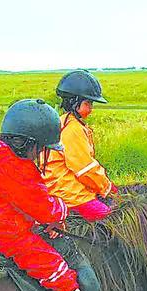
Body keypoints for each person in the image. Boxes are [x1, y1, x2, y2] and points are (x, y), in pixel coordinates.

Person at [0, 98, 141, 291]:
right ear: (26, 144)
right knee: (55, 268)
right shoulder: (15, 169)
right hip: (7, 233)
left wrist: (39, 217)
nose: (41, 155)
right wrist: (61, 210)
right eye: (40, 149)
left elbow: (14, 202)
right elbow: (43, 207)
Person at [41, 70, 117, 221]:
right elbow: (85, 169)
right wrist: (107, 188)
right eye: (87, 103)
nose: (91, 108)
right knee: (111, 219)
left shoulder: (64, 121)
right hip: (67, 192)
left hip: (59, 185)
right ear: (74, 103)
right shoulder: (73, 129)